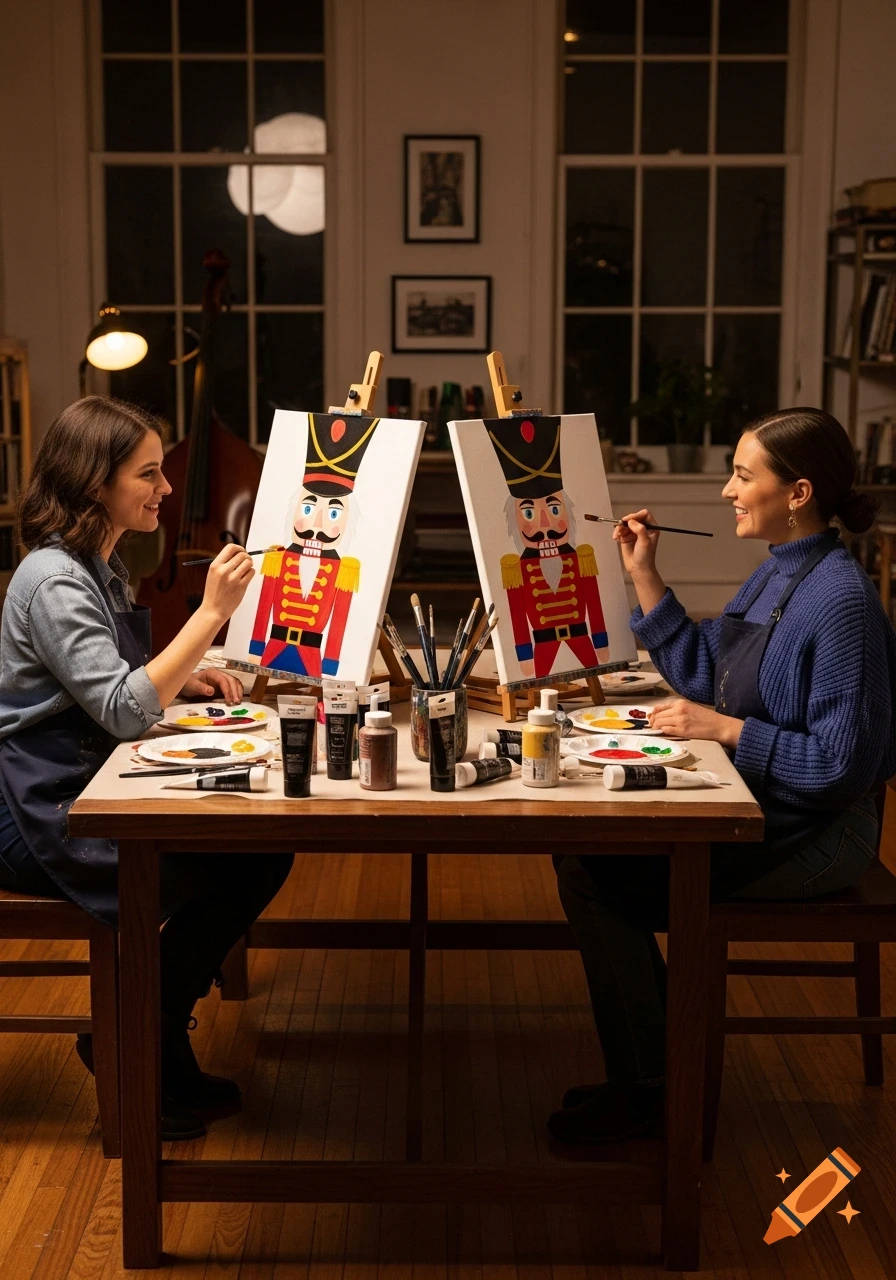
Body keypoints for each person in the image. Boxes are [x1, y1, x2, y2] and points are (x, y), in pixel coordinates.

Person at [550, 407, 896, 1145]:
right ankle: (652, 1075)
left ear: (797, 492)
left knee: (596, 874)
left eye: (743, 475)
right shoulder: (780, 572)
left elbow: (841, 768)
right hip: (767, 803)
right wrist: (645, 574)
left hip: (825, 831)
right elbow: (708, 676)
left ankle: (653, 1092)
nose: (727, 493)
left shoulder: (839, 602)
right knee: (588, 861)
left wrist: (731, 731)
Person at [0, 396, 294, 1141]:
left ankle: (147, 1036)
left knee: (257, 851)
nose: (167, 489)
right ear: (95, 481)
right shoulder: (54, 580)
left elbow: (111, 678)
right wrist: (210, 616)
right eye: (151, 474)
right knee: (240, 857)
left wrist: (180, 675)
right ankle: (138, 1041)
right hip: (43, 808)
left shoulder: (97, 562)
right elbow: (127, 711)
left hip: (89, 777)